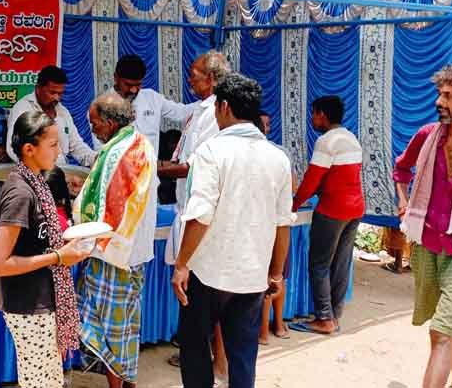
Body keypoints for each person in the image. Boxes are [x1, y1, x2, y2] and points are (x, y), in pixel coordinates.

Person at [171, 73, 293, 388]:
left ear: (224, 106)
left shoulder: (212, 151)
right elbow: (283, 223)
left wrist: (182, 263)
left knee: (196, 348)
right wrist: (276, 273)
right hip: (251, 275)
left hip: (208, 272)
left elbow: (200, 215)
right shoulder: (278, 158)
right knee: (243, 355)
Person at [393, 64, 452, 388]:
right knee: (447, 325)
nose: (439, 101)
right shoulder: (427, 136)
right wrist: (404, 203)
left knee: (442, 333)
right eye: (439, 93)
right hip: (428, 246)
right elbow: (401, 169)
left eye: (448, 96)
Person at [0, 111, 90, 388]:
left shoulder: (37, 183)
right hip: (29, 304)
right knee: (39, 383)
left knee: (50, 380)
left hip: (45, 298)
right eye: (53, 145)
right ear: (29, 149)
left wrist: (66, 250)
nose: (59, 151)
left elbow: (40, 239)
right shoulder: (21, 193)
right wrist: (58, 257)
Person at [75, 93, 157, 388]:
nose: (92, 128)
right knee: (119, 325)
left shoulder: (119, 153)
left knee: (113, 327)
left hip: (116, 255)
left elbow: (112, 205)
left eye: (94, 123)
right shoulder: (135, 143)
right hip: (127, 253)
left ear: (109, 123)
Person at [158, 50, 230, 380]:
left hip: (198, 213)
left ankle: (211, 363)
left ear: (212, 79)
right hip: (187, 208)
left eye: (195, 74)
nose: (190, 79)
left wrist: (161, 170)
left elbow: (198, 166)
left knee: (199, 295)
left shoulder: (215, 114)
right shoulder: (200, 111)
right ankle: (203, 355)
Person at [290, 95, 364, 335]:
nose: (312, 119)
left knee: (319, 264)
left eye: (313, 114)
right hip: (355, 209)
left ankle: (324, 319)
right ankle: (334, 314)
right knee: (341, 263)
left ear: (322, 114)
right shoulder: (351, 138)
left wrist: (293, 204)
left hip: (333, 210)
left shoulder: (326, 141)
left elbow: (312, 179)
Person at [257, 110, 296, 345]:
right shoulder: (280, 153)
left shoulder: (246, 154)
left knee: (269, 278)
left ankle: (263, 331)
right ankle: (278, 325)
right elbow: (293, 187)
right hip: (278, 223)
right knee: (278, 276)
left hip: (263, 226)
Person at [7, 66, 96, 166]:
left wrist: (94, 159)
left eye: (60, 93)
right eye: (52, 92)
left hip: (60, 173)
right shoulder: (23, 108)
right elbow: (12, 148)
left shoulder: (63, 112)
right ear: (38, 88)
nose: (57, 98)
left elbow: (76, 145)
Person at [110, 54, 194, 157]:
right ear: (115, 78)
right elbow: (102, 154)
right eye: (128, 85)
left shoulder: (152, 98)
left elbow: (182, 112)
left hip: (150, 172)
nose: (134, 90)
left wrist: (211, 100)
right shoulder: (100, 108)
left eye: (138, 85)